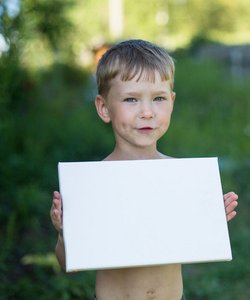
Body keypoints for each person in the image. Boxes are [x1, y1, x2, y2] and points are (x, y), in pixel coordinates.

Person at [50, 39, 239, 300]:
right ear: (104, 108)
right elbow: (67, 265)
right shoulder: (94, 184)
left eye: (159, 98)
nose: (147, 112)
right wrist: (64, 233)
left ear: (172, 102)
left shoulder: (181, 178)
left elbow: (190, 239)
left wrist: (209, 219)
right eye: (131, 99)